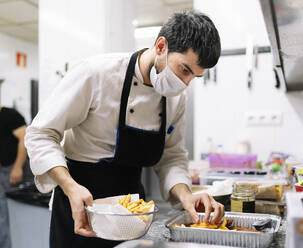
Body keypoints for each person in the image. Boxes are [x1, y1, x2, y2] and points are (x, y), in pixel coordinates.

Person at [25, 11, 222, 247]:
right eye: (184, 70)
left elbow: (172, 156)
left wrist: (186, 195)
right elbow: (41, 134)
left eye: (194, 77)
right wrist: (69, 186)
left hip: (132, 212)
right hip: (80, 202)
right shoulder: (97, 74)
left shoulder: (176, 99)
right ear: (161, 46)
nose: (185, 83)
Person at [0, 105, 28, 248]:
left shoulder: (9, 115)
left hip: (10, 170)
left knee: (6, 214)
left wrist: (17, 168)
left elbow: (24, 139)